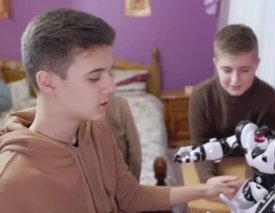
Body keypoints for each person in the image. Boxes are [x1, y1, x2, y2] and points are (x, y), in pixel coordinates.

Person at [0, 8, 240, 212]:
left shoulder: (96, 129)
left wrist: (205, 190)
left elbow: (129, 195)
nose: (112, 87)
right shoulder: (10, 183)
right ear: (48, 82)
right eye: (94, 77)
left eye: (109, 72)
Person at [189, 24, 275, 184]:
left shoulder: (269, 97)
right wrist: (209, 179)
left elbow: (262, 148)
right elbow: (200, 145)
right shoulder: (200, 95)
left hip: (250, 167)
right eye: (227, 70)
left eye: (245, 70)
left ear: (257, 65)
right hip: (212, 164)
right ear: (215, 64)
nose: (235, 80)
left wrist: (252, 183)